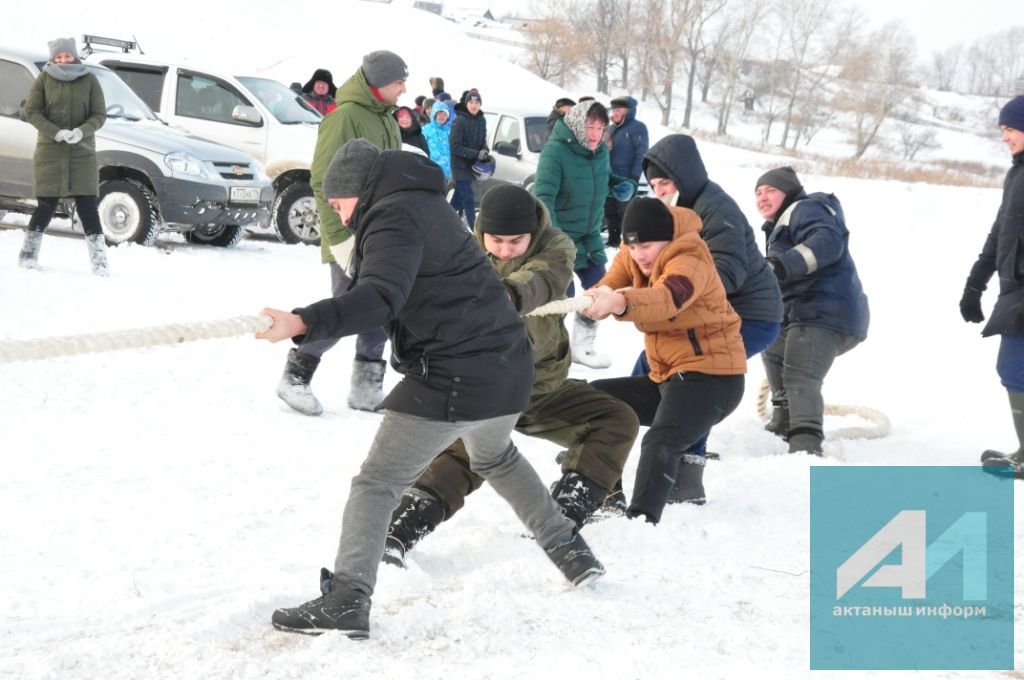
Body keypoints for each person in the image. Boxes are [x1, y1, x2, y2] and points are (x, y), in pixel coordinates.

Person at [257, 140, 604, 638]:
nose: (337, 214)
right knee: (495, 458)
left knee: (376, 483)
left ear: (359, 190)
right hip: (508, 367)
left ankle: (347, 599)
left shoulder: (392, 216)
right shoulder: (423, 203)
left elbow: (378, 298)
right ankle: (571, 551)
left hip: (457, 373)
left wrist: (302, 322)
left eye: (338, 203)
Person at [380, 185, 640, 567]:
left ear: (532, 233)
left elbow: (541, 278)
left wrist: (503, 295)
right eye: (496, 241)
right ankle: (398, 532)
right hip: (485, 388)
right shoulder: (460, 253)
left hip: (543, 387)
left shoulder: (556, 246)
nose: (504, 250)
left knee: (616, 420)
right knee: (465, 453)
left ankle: (563, 515)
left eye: (515, 241)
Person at [635, 134, 783, 502]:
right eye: (654, 186)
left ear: (684, 176)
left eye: (665, 182)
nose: (660, 192)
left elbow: (726, 273)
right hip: (712, 316)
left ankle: (687, 475)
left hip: (752, 315)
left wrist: (669, 294)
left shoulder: (716, 211)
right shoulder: (675, 215)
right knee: (649, 367)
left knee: (694, 378)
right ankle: (611, 440)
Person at [584, 198, 746, 525]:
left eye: (647, 245)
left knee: (661, 440)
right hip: (668, 378)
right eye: (632, 246)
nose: (639, 254)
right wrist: (595, 296)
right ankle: (607, 498)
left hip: (713, 379)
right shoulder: (634, 256)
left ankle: (642, 523)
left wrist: (619, 301)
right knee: (595, 402)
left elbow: (667, 299)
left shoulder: (690, 259)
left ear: (667, 240)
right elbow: (609, 282)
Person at [275, 50, 407, 417]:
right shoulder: (344, 117)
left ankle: (366, 388)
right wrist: (338, 237)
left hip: (378, 232)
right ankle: (295, 376)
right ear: (379, 82)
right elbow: (322, 181)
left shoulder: (388, 120)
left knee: (382, 306)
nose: (403, 89)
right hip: (348, 234)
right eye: (398, 82)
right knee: (345, 309)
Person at [755, 166, 869, 455]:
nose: (762, 198)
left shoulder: (807, 208)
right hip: (803, 312)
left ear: (789, 192)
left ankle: (806, 443)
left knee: (800, 374)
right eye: (758, 193)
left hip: (826, 313)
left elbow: (827, 242)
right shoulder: (780, 226)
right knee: (771, 343)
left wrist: (781, 265)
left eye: (770, 190)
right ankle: (783, 419)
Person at [535, 100, 637, 369]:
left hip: (589, 237)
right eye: (590, 126)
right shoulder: (554, 153)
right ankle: (550, 350)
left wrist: (621, 186)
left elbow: (605, 178)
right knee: (563, 296)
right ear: (578, 125)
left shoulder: (600, 150)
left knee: (600, 291)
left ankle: (583, 347)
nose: (594, 133)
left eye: (600, 127)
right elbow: (543, 197)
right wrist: (556, 240)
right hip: (560, 239)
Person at [963, 95, 1024, 478]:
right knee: (1015, 368)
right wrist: (975, 282)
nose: (1004, 136)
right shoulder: (1017, 173)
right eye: (1002, 129)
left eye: (1010, 127)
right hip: (1014, 288)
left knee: (1015, 367)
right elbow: (1000, 230)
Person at [18, 37, 109, 276]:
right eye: (58, 57)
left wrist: (81, 131)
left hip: (82, 153)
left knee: (88, 207)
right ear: (52, 58)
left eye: (66, 56)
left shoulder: (89, 79)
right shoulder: (44, 79)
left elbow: (99, 115)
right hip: (51, 151)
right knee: (45, 206)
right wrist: (55, 132)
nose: (62, 60)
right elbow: (31, 110)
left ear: (74, 55)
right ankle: (28, 255)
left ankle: (100, 263)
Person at [604, 96, 649, 247]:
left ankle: (632, 245)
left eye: (619, 110)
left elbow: (641, 153)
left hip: (627, 180)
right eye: (614, 109)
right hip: (610, 179)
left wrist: (634, 178)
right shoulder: (609, 129)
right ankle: (613, 242)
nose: (615, 113)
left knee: (628, 215)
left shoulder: (638, 127)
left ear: (629, 111)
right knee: (611, 214)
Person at [448, 88, 489, 228]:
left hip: (472, 166)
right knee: (469, 199)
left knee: (458, 200)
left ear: (480, 104)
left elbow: (483, 141)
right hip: (460, 166)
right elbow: (455, 146)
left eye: (477, 102)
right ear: (466, 104)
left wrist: (485, 151)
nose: (474, 105)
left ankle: (444, 222)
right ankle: (475, 230)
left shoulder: (481, 120)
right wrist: (476, 154)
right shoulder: (459, 121)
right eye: (471, 102)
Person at [422, 103, 453, 182]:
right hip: (431, 168)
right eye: (439, 114)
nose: (442, 117)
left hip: (448, 170)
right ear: (434, 115)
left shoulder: (451, 130)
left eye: (444, 114)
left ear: (448, 116)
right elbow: (421, 147)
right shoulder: (426, 129)